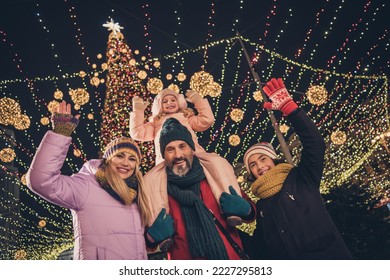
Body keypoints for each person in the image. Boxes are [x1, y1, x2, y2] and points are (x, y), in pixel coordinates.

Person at [26, 101, 155, 260]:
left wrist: (151, 239)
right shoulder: (87, 186)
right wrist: (60, 134)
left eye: (132, 159)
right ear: (108, 160)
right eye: (119, 156)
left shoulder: (136, 195)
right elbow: (41, 180)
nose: (125, 163)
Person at [243, 78, 353, 260]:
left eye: (263, 159)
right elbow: (258, 249)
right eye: (252, 165)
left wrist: (290, 110)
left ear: (273, 160)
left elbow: (315, 145)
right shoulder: (261, 206)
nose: (260, 167)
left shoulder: (300, 178)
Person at [141, 117, 257, 260]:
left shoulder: (215, 176)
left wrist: (246, 209)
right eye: (170, 149)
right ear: (164, 155)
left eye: (182, 146)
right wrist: (151, 237)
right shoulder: (156, 189)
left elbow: (251, 212)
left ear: (192, 149)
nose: (178, 155)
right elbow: (142, 239)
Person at [130, 88, 244, 226]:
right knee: (150, 182)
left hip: (196, 155)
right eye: (165, 101)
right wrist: (138, 111)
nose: (170, 103)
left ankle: (231, 205)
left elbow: (206, 120)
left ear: (180, 102)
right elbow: (137, 133)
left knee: (219, 163)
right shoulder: (155, 123)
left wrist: (198, 101)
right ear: (158, 105)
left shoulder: (186, 117)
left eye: (173, 100)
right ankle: (159, 224)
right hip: (165, 162)